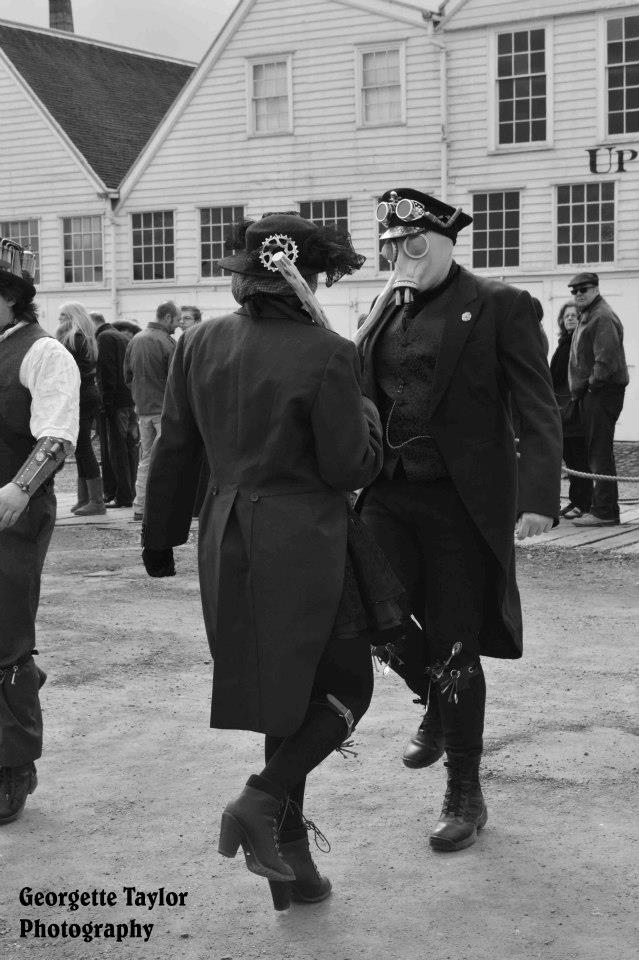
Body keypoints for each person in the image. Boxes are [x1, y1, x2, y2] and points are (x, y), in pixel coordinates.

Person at [141, 212, 384, 909]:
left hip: (227, 539)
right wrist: (367, 408)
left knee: (287, 697)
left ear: (246, 277)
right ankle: (261, 798)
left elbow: (176, 447)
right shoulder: (329, 352)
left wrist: (160, 538)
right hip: (302, 541)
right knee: (348, 692)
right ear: (307, 280)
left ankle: (292, 863)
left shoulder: (199, 340)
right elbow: (350, 467)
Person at [356, 188, 562, 852]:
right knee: (367, 609)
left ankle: (464, 792)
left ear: (443, 242)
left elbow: (536, 404)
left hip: (459, 502)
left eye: (412, 243)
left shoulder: (500, 304)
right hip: (388, 491)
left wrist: (538, 496)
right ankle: (436, 703)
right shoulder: (384, 307)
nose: (400, 256)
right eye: (391, 246)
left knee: (453, 640)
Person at [0, 237, 79, 824]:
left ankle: (12, 766)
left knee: (5, 635)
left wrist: (20, 488)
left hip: (13, 511)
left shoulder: (43, 351)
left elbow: (56, 435)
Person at [567, 272, 629, 527]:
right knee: (597, 451)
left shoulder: (601, 316)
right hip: (593, 394)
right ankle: (604, 508)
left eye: (583, 289)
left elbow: (606, 360)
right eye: (574, 291)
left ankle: (604, 511)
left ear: (595, 289)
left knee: (599, 453)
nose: (578, 294)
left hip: (601, 393)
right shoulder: (590, 314)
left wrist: (591, 385)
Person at [123, 302, 179, 521]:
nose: (178, 324)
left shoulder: (135, 340)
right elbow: (176, 380)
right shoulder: (168, 343)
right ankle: (164, 506)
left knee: (145, 459)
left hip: (143, 408)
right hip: (164, 409)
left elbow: (127, 376)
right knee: (168, 459)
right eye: (176, 320)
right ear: (167, 317)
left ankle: (140, 506)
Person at [56, 302, 105, 516]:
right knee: (81, 446)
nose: (59, 319)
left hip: (79, 395)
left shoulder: (72, 338)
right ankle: (86, 498)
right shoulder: (86, 337)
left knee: (83, 447)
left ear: (70, 317)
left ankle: (95, 501)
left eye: (62, 315)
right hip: (87, 393)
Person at [89, 312, 138, 508]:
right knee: (128, 448)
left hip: (116, 403)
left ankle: (122, 495)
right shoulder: (119, 336)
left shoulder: (104, 337)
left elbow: (107, 372)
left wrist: (106, 403)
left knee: (117, 450)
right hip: (128, 400)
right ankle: (127, 493)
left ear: (93, 323)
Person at [550, 302, 592, 519]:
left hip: (575, 408)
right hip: (563, 408)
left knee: (579, 458)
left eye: (574, 315)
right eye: (567, 316)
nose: (570, 318)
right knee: (571, 458)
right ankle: (576, 500)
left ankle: (584, 503)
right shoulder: (564, 343)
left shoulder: (580, 342)